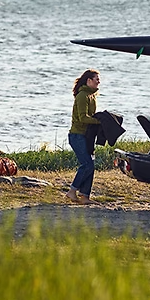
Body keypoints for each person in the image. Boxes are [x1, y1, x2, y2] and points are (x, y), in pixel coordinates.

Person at [66, 69, 102, 204]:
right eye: (96, 79)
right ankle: (72, 191)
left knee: (90, 165)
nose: (99, 82)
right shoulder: (82, 96)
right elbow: (83, 118)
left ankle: (84, 196)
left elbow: (91, 116)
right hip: (77, 135)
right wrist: (99, 121)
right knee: (86, 164)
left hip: (87, 136)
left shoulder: (92, 96)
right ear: (89, 81)